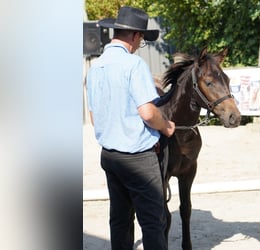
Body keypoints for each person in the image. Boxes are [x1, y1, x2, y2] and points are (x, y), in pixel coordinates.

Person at [86, 6, 175, 250]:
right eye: (142, 40)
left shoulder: (96, 68)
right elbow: (147, 112)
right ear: (135, 36)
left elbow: (95, 119)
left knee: (120, 220)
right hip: (138, 158)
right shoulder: (133, 65)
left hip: (110, 156)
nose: (139, 45)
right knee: (153, 221)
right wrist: (166, 126)